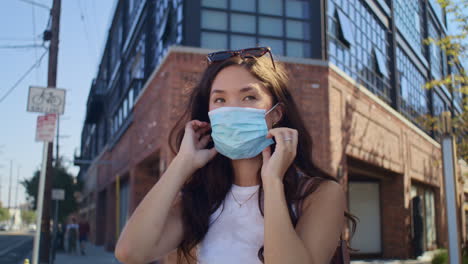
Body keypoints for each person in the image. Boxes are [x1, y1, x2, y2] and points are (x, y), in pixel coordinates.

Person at [115, 46, 357, 264]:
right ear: (208, 114)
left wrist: (272, 182)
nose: (232, 109)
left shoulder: (319, 194)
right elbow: (130, 252)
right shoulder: (201, 199)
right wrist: (181, 165)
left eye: (249, 97)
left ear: (276, 113)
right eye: (219, 99)